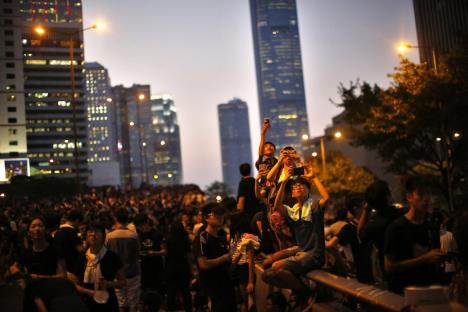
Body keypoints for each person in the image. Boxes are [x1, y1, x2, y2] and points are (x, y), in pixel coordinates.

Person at [262, 164, 329, 308]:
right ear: (292, 194)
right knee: (266, 275)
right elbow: (277, 205)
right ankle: (302, 291)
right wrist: (285, 181)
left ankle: (303, 293)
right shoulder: (293, 210)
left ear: (308, 191)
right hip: (302, 253)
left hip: (314, 254)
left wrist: (314, 177)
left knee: (276, 266)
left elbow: (326, 197)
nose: (298, 187)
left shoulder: (313, 206)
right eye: (295, 187)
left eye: (302, 186)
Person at [384, 176, 444, 294]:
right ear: (409, 197)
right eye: (421, 194)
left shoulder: (431, 226)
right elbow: (389, 267)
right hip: (403, 295)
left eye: (429, 194)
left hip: (429, 292)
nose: (426, 199)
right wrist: (424, 259)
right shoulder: (397, 227)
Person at [193, 203, 236, 312]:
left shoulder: (221, 238)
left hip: (225, 287)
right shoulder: (202, 238)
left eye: (221, 214)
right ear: (206, 218)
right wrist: (225, 257)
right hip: (213, 289)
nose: (220, 217)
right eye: (216, 214)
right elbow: (203, 264)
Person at [76, 225, 125, 312]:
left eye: (97, 232)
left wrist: (109, 284)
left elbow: (123, 282)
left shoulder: (112, 257)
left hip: (108, 301)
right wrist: (90, 292)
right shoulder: (82, 257)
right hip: (87, 302)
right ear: (86, 237)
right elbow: (76, 284)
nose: (93, 234)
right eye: (90, 231)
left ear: (103, 236)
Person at [106, 208, 141, 312]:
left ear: (115, 219)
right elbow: (137, 254)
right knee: (133, 303)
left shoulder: (109, 236)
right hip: (132, 272)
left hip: (117, 274)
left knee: (121, 303)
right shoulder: (133, 235)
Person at [134, 214, 166, 293]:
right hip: (144, 268)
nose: (140, 228)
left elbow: (165, 251)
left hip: (156, 268)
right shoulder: (138, 236)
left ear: (147, 222)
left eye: (141, 225)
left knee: (158, 292)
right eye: (138, 226)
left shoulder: (157, 234)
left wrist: (153, 253)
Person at [165, 221, 192, 312]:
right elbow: (188, 256)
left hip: (171, 266)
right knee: (186, 291)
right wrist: (191, 269)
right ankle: (188, 309)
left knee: (171, 292)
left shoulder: (168, 239)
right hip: (183, 266)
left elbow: (165, 253)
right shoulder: (185, 239)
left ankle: (170, 309)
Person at [53, 210, 84, 279]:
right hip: (70, 268)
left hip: (59, 268)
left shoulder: (57, 230)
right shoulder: (71, 231)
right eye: (80, 223)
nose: (79, 226)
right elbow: (80, 249)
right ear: (77, 220)